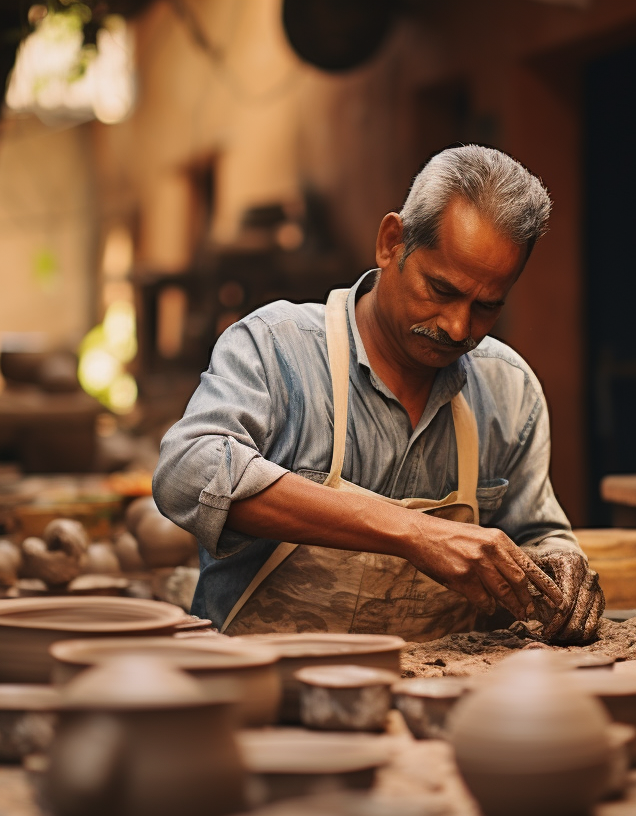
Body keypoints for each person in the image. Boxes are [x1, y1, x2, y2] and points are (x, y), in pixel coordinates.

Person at [154, 144, 604, 644]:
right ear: (392, 243)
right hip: (262, 689)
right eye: (442, 290)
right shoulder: (277, 347)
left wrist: (561, 562)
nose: (458, 328)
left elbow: (534, 533)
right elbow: (187, 471)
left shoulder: (509, 390)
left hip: (440, 698)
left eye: (486, 307)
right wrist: (414, 533)